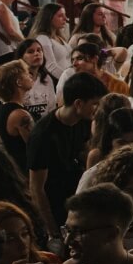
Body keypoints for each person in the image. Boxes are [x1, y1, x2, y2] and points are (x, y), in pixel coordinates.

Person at [26, 71, 106, 229]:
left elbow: (84, 151)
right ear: (78, 104)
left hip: (74, 198)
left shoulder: (83, 121)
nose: (97, 109)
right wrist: (52, 232)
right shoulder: (43, 135)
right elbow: (36, 189)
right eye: (95, 103)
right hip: (54, 205)